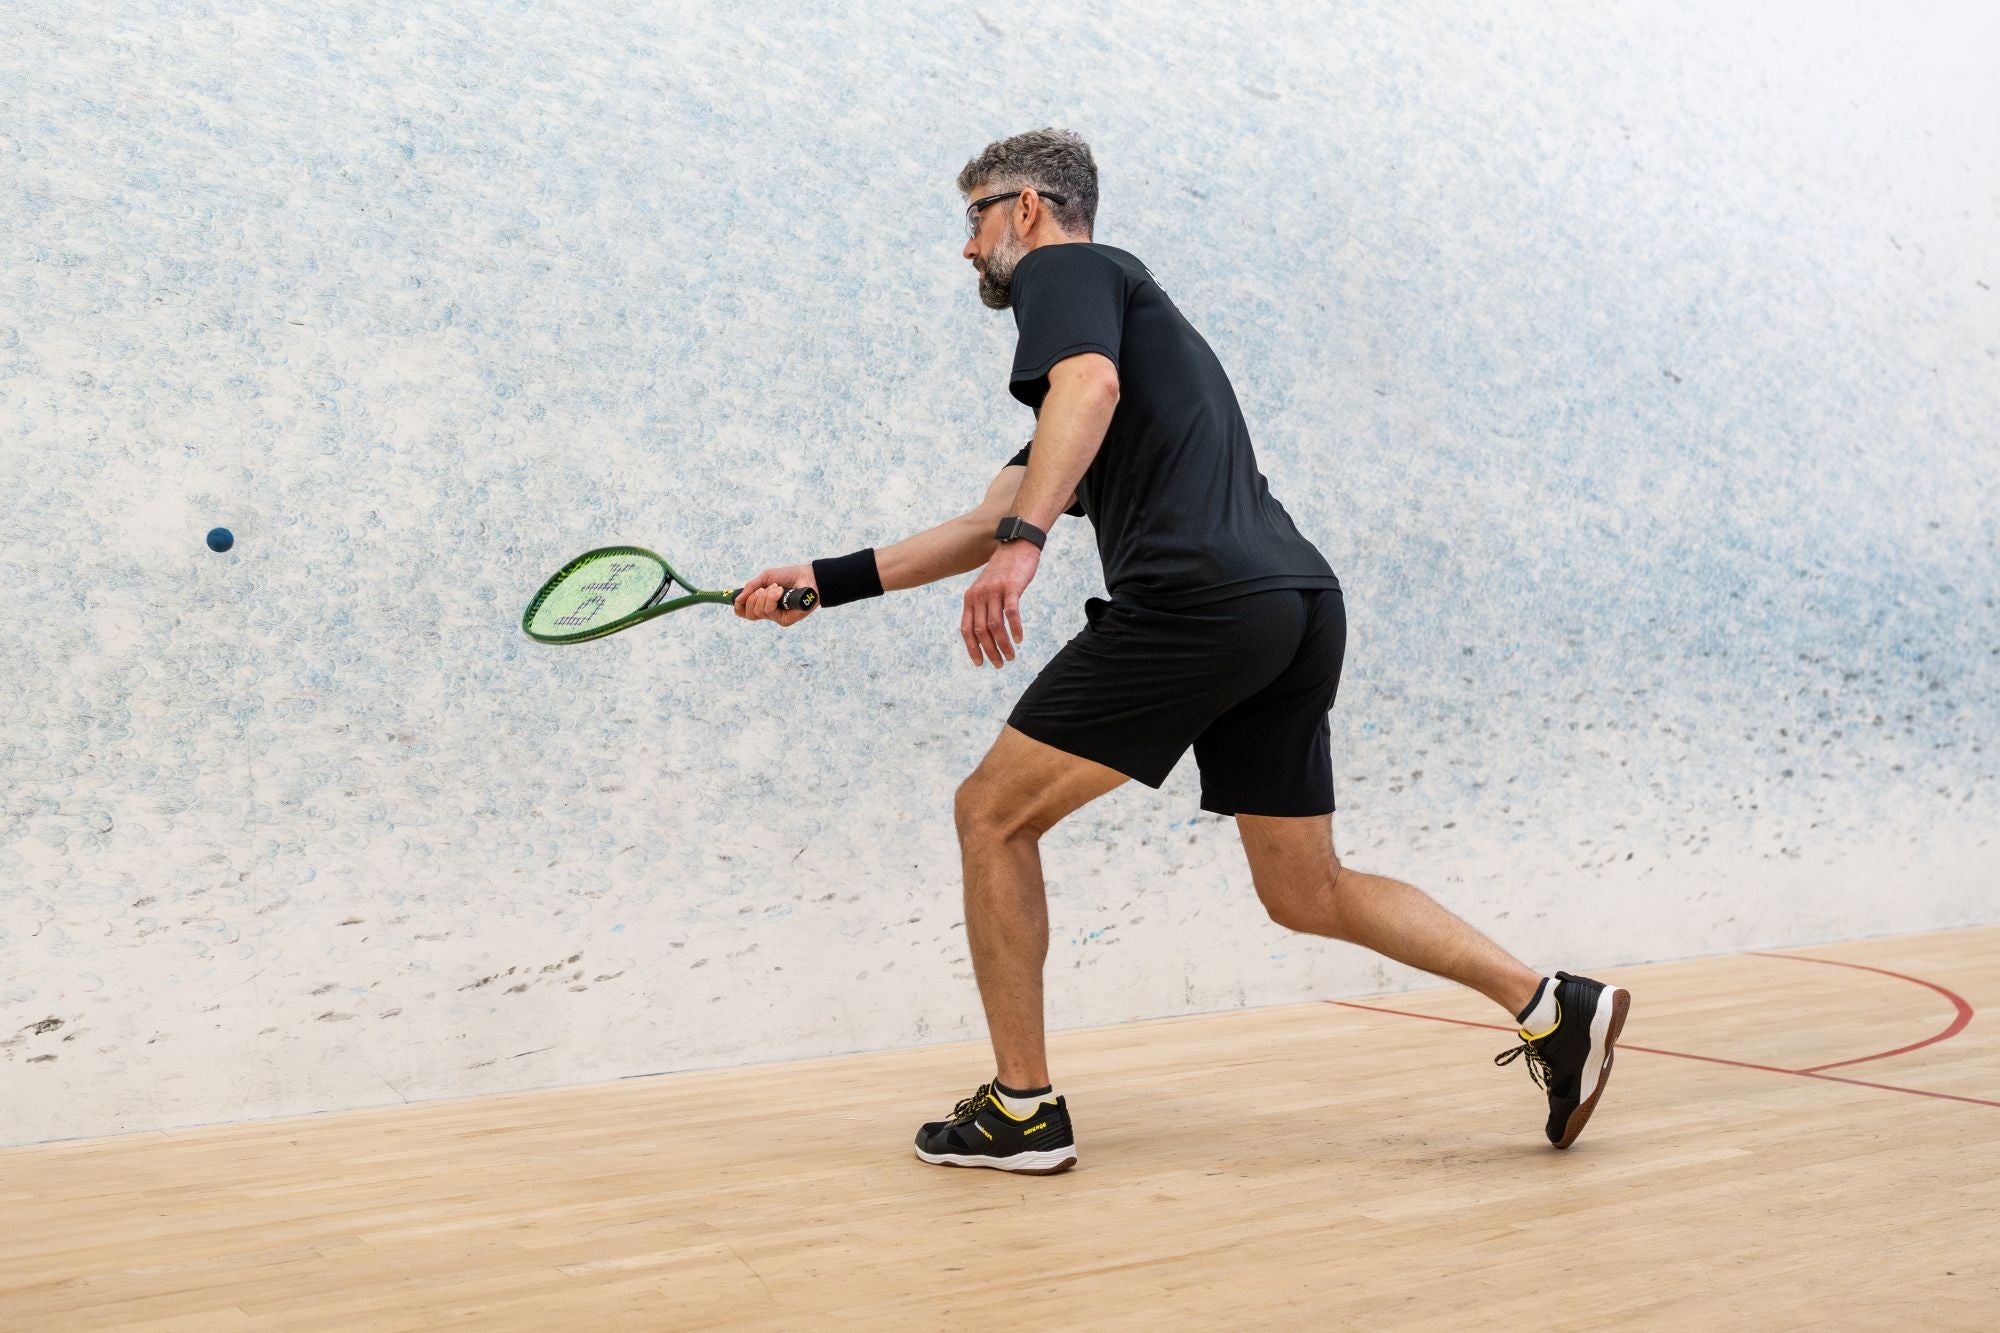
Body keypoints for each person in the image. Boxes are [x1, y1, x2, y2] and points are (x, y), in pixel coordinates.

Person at [734, 128, 1629, 1175]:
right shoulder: (1123, 340)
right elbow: (995, 510)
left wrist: (1025, 550)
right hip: (1290, 600)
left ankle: (1020, 1110)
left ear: (1026, 208)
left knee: (990, 811)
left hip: (1197, 600)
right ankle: (1547, 1005)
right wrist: (823, 579)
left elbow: (1071, 422)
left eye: (973, 218)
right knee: (1303, 888)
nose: (965, 248)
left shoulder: (1068, 275)